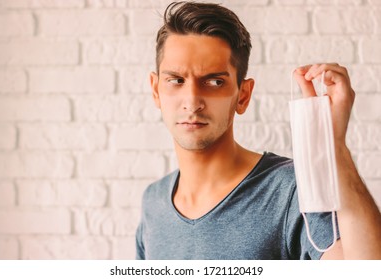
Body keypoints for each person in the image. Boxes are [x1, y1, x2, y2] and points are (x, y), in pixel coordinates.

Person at [135, 1, 381, 260]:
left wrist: (334, 147)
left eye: (215, 81)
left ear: (243, 95)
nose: (192, 101)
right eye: (176, 80)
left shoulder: (290, 190)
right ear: (156, 90)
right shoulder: (153, 202)